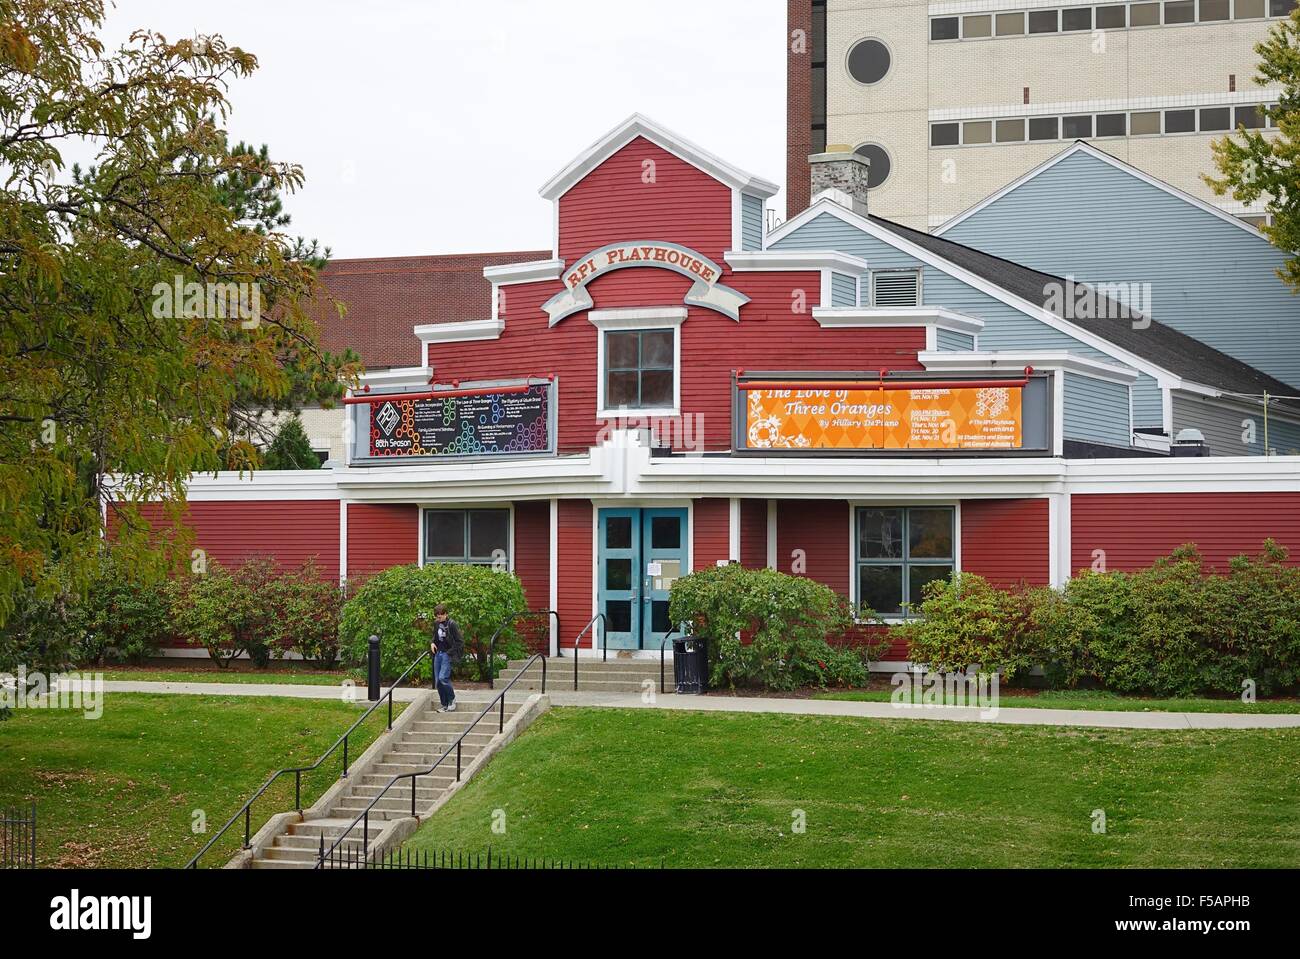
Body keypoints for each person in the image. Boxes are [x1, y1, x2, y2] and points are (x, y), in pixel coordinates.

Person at [429, 603, 463, 713]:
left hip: (446, 655)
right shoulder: (436, 624)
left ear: (445, 614)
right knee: (438, 681)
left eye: (440, 617)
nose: (438, 619)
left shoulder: (452, 624)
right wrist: (432, 643)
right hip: (438, 654)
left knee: (443, 678)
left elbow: (460, 642)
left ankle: (451, 700)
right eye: (437, 617)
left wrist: (449, 653)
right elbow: (435, 637)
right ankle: (444, 704)